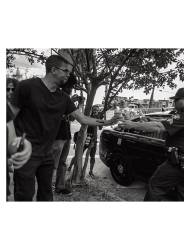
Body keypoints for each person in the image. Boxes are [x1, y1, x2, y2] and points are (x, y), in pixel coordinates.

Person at [10, 55, 120, 201]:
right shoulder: (27, 87)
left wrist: (108, 122)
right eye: (66, 71)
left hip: (47, 155)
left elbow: (82, 118)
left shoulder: (63, 98)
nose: (69, 75)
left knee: (46, 195)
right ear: (53, 70)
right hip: (25, 153)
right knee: (24, 195)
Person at [119, 87, 184, 201]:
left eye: (177, 100)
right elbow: (165, 125)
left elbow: (159, 127)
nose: (174, 102)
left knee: (155, 186)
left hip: (180, 164)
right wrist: (146, 123)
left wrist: (132, 125)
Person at [51, 73, 78, 195]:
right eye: (70, 87)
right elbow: (54, 115)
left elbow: (72, 119)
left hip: (66, 134)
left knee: (62, 163)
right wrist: (69, 102)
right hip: (57, 136)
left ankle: (60, 187)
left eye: (72, 88)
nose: (71, 90)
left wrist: (78, 105)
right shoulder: (56, 96)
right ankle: (47, 186)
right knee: (53, 163)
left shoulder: (67, 99)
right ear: (64, 86)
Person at [6, 78, 32, 200]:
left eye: (13, 89)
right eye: (7, 89)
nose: (10, 92)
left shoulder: (20, 107)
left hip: (17, 145)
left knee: (19, 181)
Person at [70, 105, 102, 178]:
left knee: (92, 157)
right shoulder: (88, 117)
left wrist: (100, 120)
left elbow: (100, 128)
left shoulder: (98, 118)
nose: (95, 111)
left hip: (93, 139)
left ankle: (91, 171)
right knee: (79, 154)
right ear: (92, 110)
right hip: (86, 138)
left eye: (97, 110)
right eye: (94, 109)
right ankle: (70, 167)